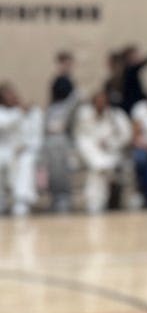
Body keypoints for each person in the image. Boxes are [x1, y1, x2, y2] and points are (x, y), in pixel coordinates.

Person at [74, 89, 132, 213]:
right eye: (97, 101)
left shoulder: (116, 116)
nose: (100, 104)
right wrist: (94, 150)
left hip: (112, 154)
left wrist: (111, 143)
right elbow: (81, 138)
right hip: (90, 155)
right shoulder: (84, 116)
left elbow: (126, 136)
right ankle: (96, 203)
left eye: (103, 101)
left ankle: (94, 204)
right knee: (98, 168)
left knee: (99, 170)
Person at [41, 51, 81, 212]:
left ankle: (64, 196)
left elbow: (73, 116)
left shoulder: (74, 95)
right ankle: (56, 196)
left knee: (64, 166)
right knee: (53, 167)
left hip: (66, 136)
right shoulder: (57, 82)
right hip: (54, 135)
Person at [0, 83, 42, 216]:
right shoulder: (5, 112)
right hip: (4, 149)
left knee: (26, 162)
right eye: (7, 95)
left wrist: (27, 147)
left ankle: (21, 200)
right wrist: (19, 112)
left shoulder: (32, 112)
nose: (11, 97)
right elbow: (4, 124)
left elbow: (36, 135)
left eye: (12, 93)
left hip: (27, 150)